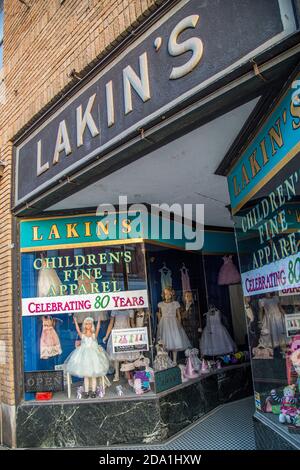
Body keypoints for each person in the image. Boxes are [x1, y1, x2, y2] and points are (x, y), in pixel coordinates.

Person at [66, 316, 109, 398]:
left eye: (90, 324)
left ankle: (93, 391)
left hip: (93, 357)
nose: (88, 325)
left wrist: (99, 321)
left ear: (92, 325)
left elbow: (98, 329)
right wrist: (75, 321)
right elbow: (78, 330)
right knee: (86, 375)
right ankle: (86, 391)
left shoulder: (93, 335)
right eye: (86, 324)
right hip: (85, 357)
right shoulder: (83, 335)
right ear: (84, 325)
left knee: (93, 375)